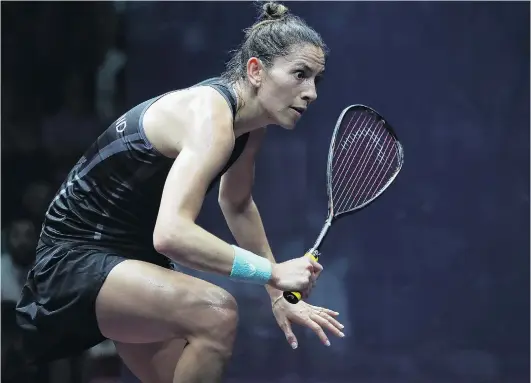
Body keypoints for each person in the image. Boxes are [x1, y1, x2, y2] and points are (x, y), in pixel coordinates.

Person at [15, 2, 345, 382]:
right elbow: (171, 234)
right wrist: (272, 271)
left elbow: (236, 203)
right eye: (300, 74)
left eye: (316, 80)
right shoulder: (210, 117)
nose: (311, 93)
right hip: (76, 258)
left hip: (131, 260)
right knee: (217, 312)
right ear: (256, 70)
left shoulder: (250, 128)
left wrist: (277, 293)